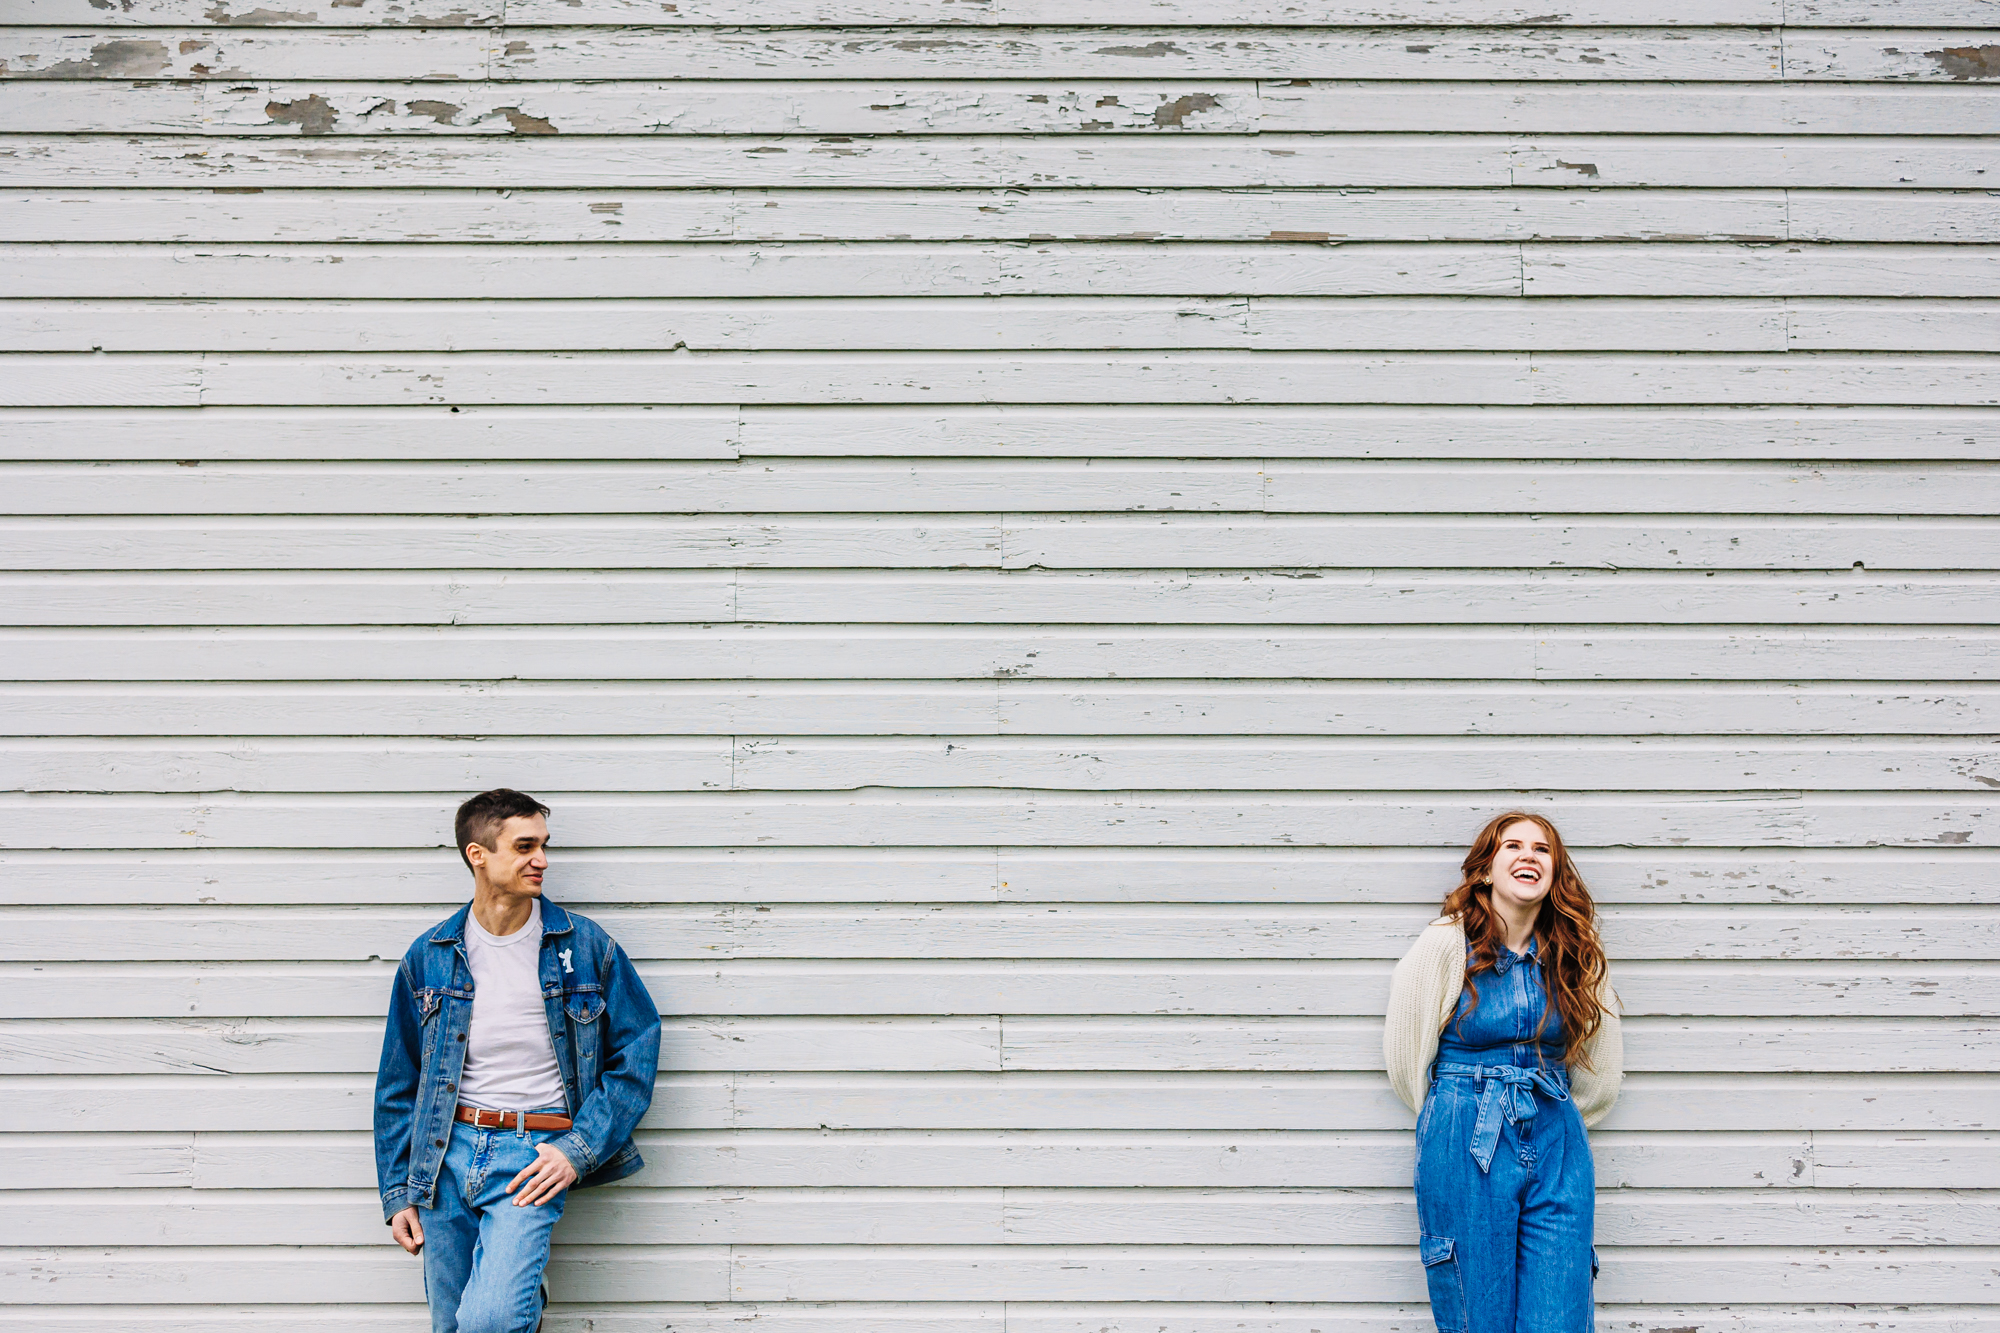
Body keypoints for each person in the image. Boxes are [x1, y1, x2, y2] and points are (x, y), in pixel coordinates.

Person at [374, 789, 661, 1333]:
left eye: (544, 846)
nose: (542, 861)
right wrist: (398, 1192)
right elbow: (398, 1084)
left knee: (492, 1320)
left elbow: (637, 1051)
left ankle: (520, 1292)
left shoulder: (584, 948)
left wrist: (576, 1150)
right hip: (444, 1157)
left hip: (531, 1157)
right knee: (452, 1326)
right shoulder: (430, 956)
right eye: (525, 846)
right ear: (477, 855)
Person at [1383, 811, 1623, 1333]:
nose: (1527, 856)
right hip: (1465, 1136)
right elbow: (1406, 1062)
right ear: (1487, 869)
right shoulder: (1444, 945)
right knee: (1479, 1316)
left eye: (1542, 849)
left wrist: (1551, 1116)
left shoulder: (1575, 955)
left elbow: (1602, 1074)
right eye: (1512, 846)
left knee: (1559, 1314)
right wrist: (1458, 1109)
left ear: (1555, 873)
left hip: (1556, 1140)